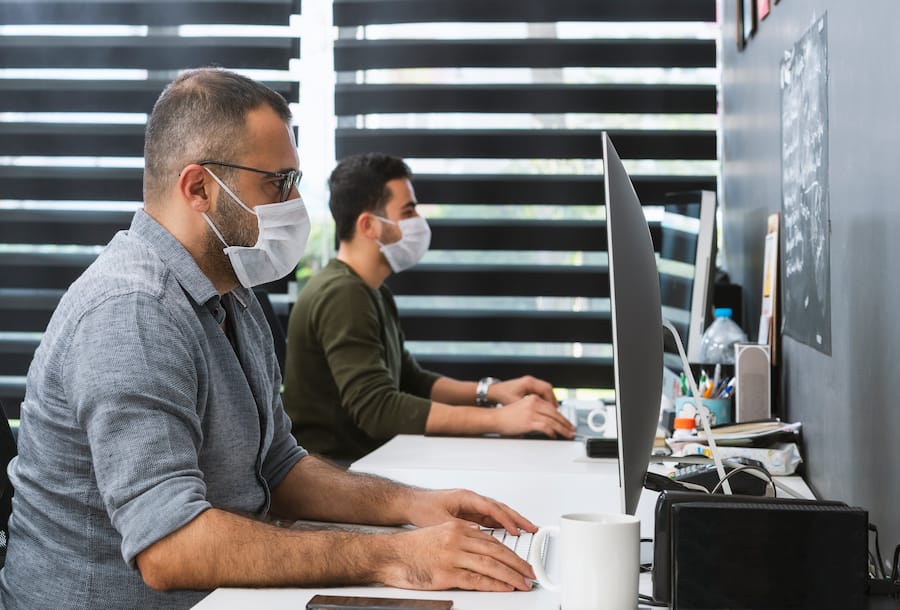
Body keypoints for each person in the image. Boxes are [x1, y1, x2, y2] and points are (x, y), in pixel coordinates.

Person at [0, 69, 539, 609]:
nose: (295, 203)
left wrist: (415, 505)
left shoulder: (231, 291)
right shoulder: (132, 312)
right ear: (198, 188)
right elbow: (170, 547)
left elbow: (278, 467)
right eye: (278, 182)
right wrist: (393, 557)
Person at [282, 153, 575, 463]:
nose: (418, 222)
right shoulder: (343, 294)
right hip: (340, 476)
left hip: (369, 465)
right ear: (369, 225)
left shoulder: (370, 292)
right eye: (408, 211)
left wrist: (491, 392)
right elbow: (378, 409)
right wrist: (501, 420)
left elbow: (411, 381)